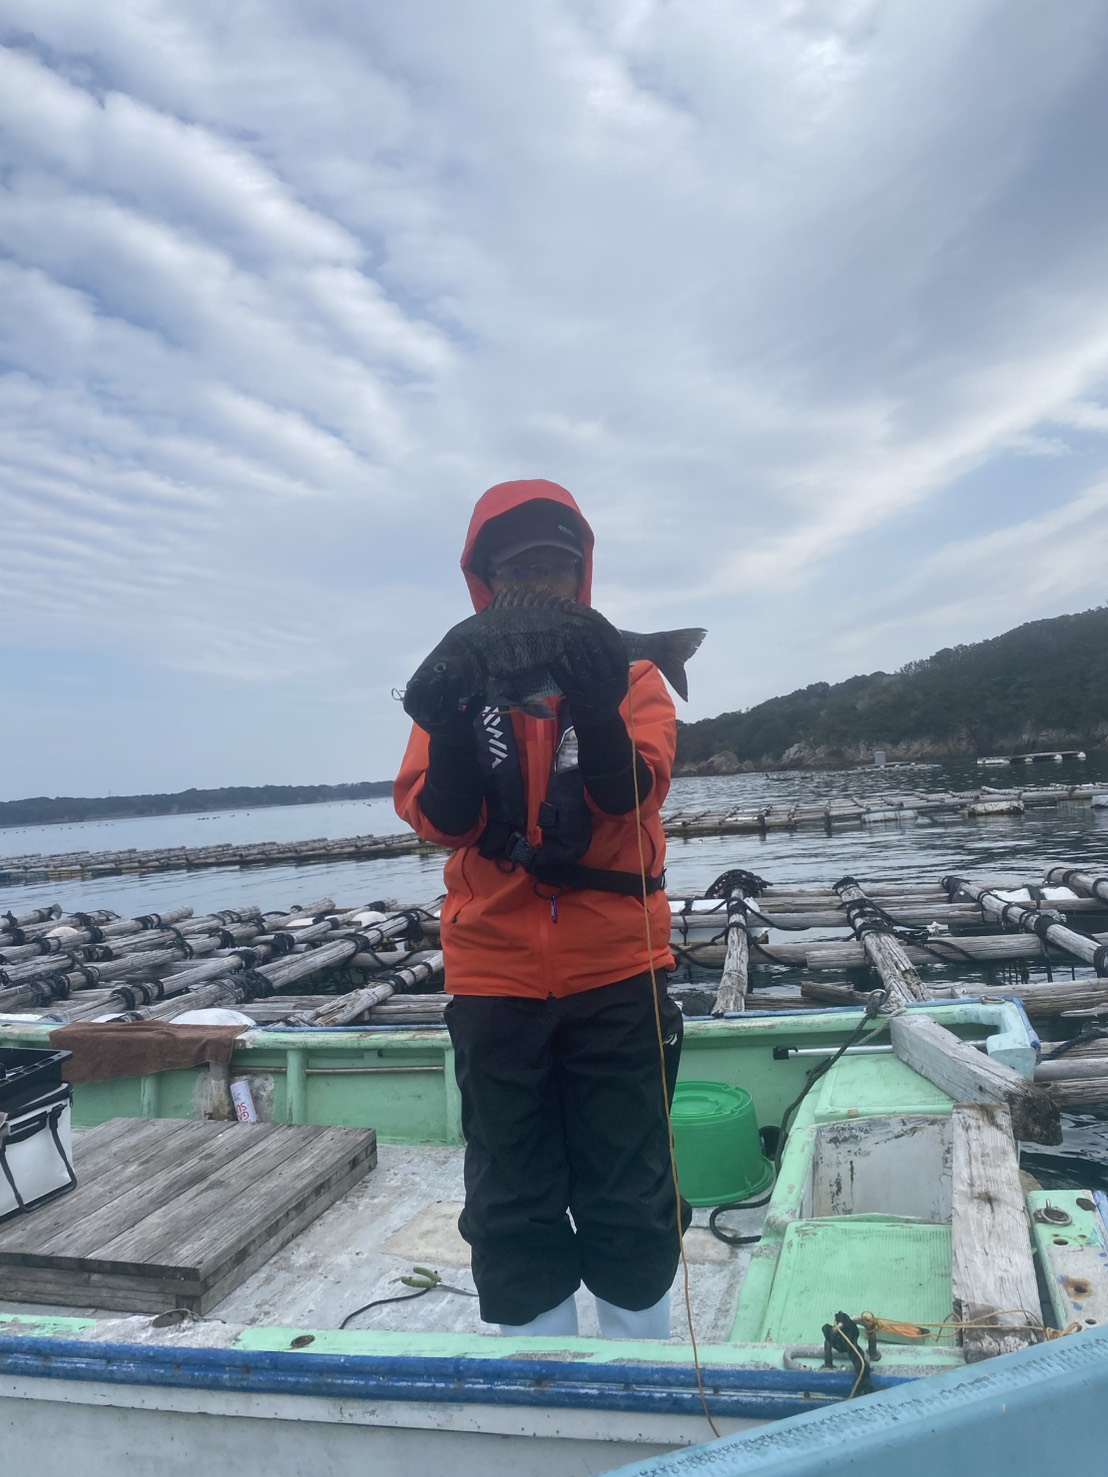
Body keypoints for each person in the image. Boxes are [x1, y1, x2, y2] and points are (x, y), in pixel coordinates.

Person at [394, 478, 688, 1339]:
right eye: (518, 569)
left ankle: (638, 1366)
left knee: (630, 1187)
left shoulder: (635, 676)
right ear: (487, 581)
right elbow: (439, 820)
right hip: (494, 973)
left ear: (580, 573)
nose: (538, 583)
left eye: (554, 567)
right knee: (510, 1193)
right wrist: (450, 730)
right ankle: (540, 1367)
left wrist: (598, 707)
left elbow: (630, 795)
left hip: (618, 966)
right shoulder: (464, 670)